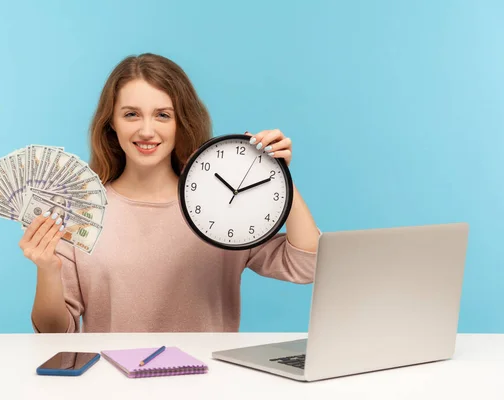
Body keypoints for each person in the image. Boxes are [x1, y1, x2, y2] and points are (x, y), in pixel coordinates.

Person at [19, 53, 321, 334]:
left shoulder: (221, 203)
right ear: (111, 122)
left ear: (181, 122)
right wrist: (47, 269)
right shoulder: (82, 212)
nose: (147, 131)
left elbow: (306, 265)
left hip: (208, 383)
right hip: (115, 384)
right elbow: (56, 333)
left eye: (163, 115)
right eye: (131, 114)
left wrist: (278, 176)